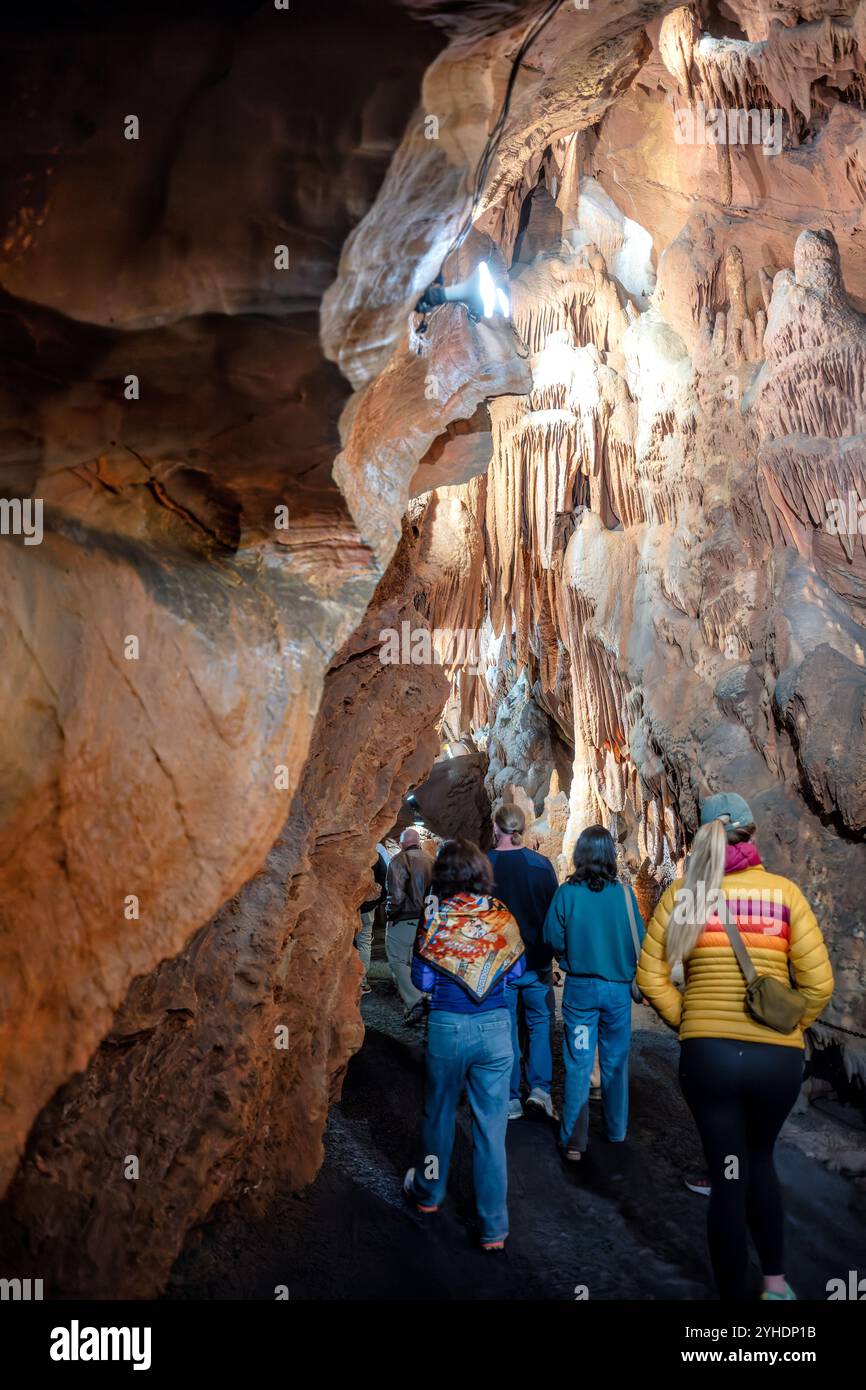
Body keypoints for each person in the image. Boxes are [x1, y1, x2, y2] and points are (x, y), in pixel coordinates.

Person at [636, 792, 834, 1301]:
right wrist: (788, 1028)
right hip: (775, 1062)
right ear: (752, 833)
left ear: (703, 837)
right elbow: (818, 986)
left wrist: (690, 1022)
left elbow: (650, 977)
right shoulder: (784, 895)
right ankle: (774, 1285)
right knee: (760, 1160)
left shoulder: (685, 896)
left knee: (729, 1173)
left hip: (710, 1060)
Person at [403, 838, 525, 1250]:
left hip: (449, 1027)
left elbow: (421, 981)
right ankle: (493, 1228)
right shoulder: (500, 915)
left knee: (438, 1114)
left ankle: (429, 1193)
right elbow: (518, 971)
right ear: (480, 873)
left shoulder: (435, 916)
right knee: (491, 1130)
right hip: (495, 1029)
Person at [543, 825, 644, 1161]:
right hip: (617, 994)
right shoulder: (626, 895)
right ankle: (616, 1130)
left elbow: (552, 936)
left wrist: (568, 956)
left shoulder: (567, 893)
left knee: (579, 1061)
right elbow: (639, 942)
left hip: (582, 994)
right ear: (610, 855)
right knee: (615, 1061)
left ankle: (575, 1142)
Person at [488, 803, 559, 1120]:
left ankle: (511, 1097)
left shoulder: (484, 865)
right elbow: (553, 916)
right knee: (540, 1025)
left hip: (500, 965)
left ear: (496, 827)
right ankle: (541, 1091)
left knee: (507, 1029)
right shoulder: (542, 866)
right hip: (536, 963)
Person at [385, 827, 432, 1022]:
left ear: (403, 843)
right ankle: (426, 997)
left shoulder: (398, 861)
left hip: (405, 919)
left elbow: (396, 896)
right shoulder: (433, 861)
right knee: (421, 961)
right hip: (428, 921)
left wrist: (391, 914)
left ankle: (415, 1001)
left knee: (398, 960)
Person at [357, 842, 389, 995]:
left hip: (347, 907)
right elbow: (384, 879)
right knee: (363, 942)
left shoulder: (350, 849)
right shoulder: (377, 852)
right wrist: (375, 902)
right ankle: (361, 982)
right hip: (366, 907)